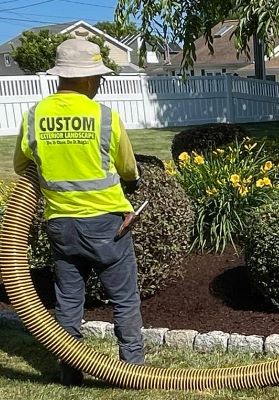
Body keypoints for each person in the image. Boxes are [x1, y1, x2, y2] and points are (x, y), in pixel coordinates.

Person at [12, 39, 145, 386]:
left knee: (69, 300)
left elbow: (21, 164)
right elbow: (129, 170)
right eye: (97, 76)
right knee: (124, 298)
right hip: (107, 225)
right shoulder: (103, 116)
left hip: (61, 226)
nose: (100, 82)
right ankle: (132, 370)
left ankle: (69, 372)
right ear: (85, 79)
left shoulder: (35, 115)